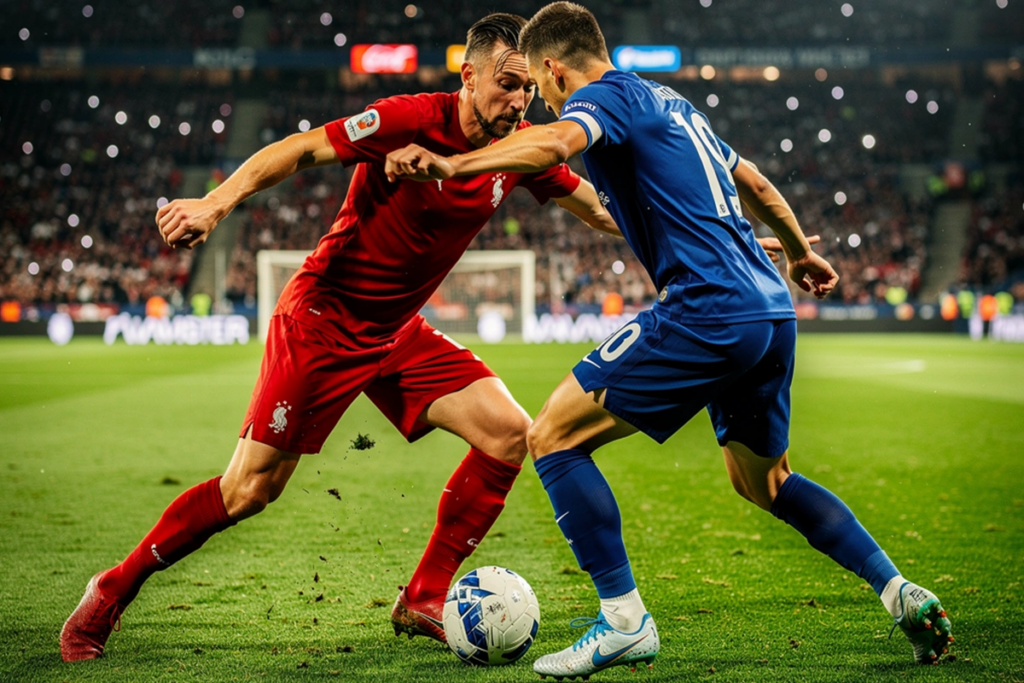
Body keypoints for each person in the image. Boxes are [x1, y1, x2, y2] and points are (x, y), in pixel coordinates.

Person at [385, 2, 953, 678]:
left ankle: (624, 620)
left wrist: (456, 165)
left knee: (553, 436)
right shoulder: (677, 105)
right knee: (766, 481)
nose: (536, 103)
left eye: (538, 86)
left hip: (707, 308)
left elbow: (558, 143)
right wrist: (800, 254)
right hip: (771, 311)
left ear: (553, 68)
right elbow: (756, 183)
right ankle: (901, 591)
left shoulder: (605, 98)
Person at [60, 13, 621, 662]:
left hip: (394, 332)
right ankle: (109, 589)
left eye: (526, 90)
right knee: (249, 491)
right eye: (505, 85)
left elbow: (598, 208)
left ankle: (424, 595)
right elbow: (299, 150)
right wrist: (215, 204)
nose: (518, 101)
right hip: (324, 320)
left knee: (507, 433)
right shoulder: (408, 119)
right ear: (467, 76)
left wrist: (694, 224)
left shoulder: (515, 150)